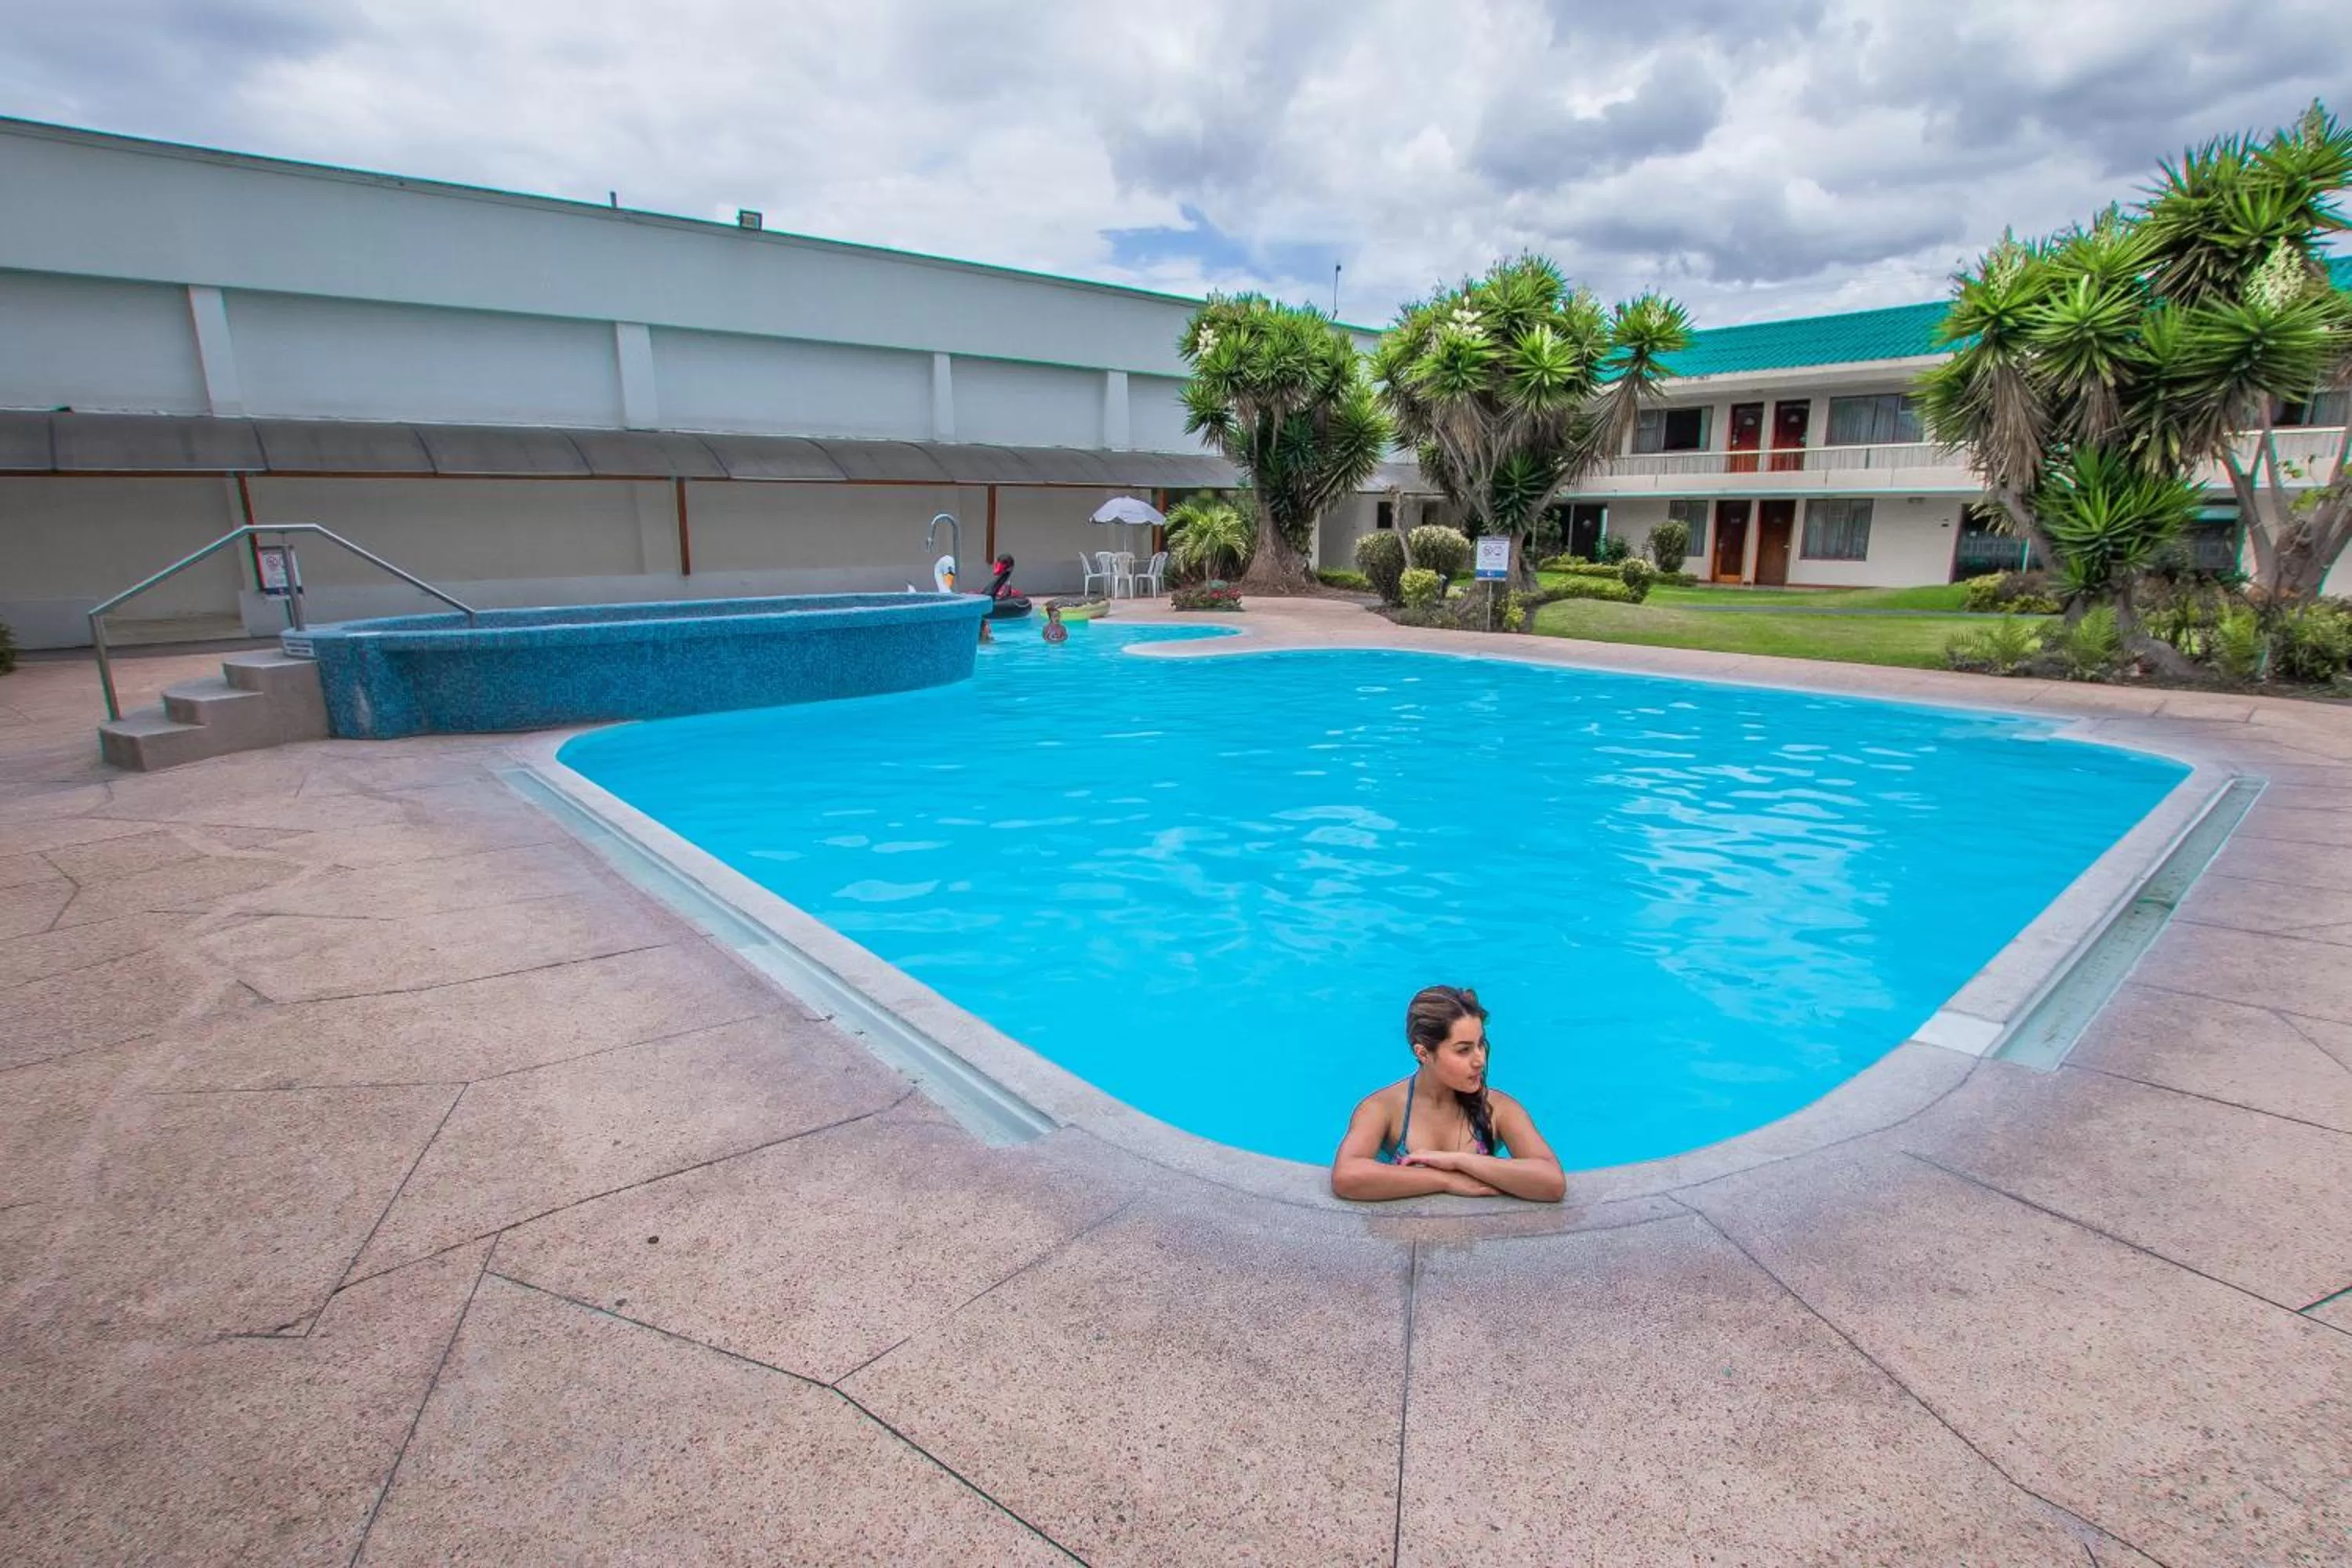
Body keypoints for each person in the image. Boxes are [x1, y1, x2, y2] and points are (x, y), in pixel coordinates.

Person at [1330, 985, 1565, 1202]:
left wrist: (1458, 1161)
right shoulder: (1383, 1108)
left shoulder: (1499, 1108)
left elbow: (1552, 1182)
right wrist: (1444, 1180)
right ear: (1423, 1053)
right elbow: (1347, 1176)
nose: (1480, 1060)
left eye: (1481, 1044)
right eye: (1463, 1050)